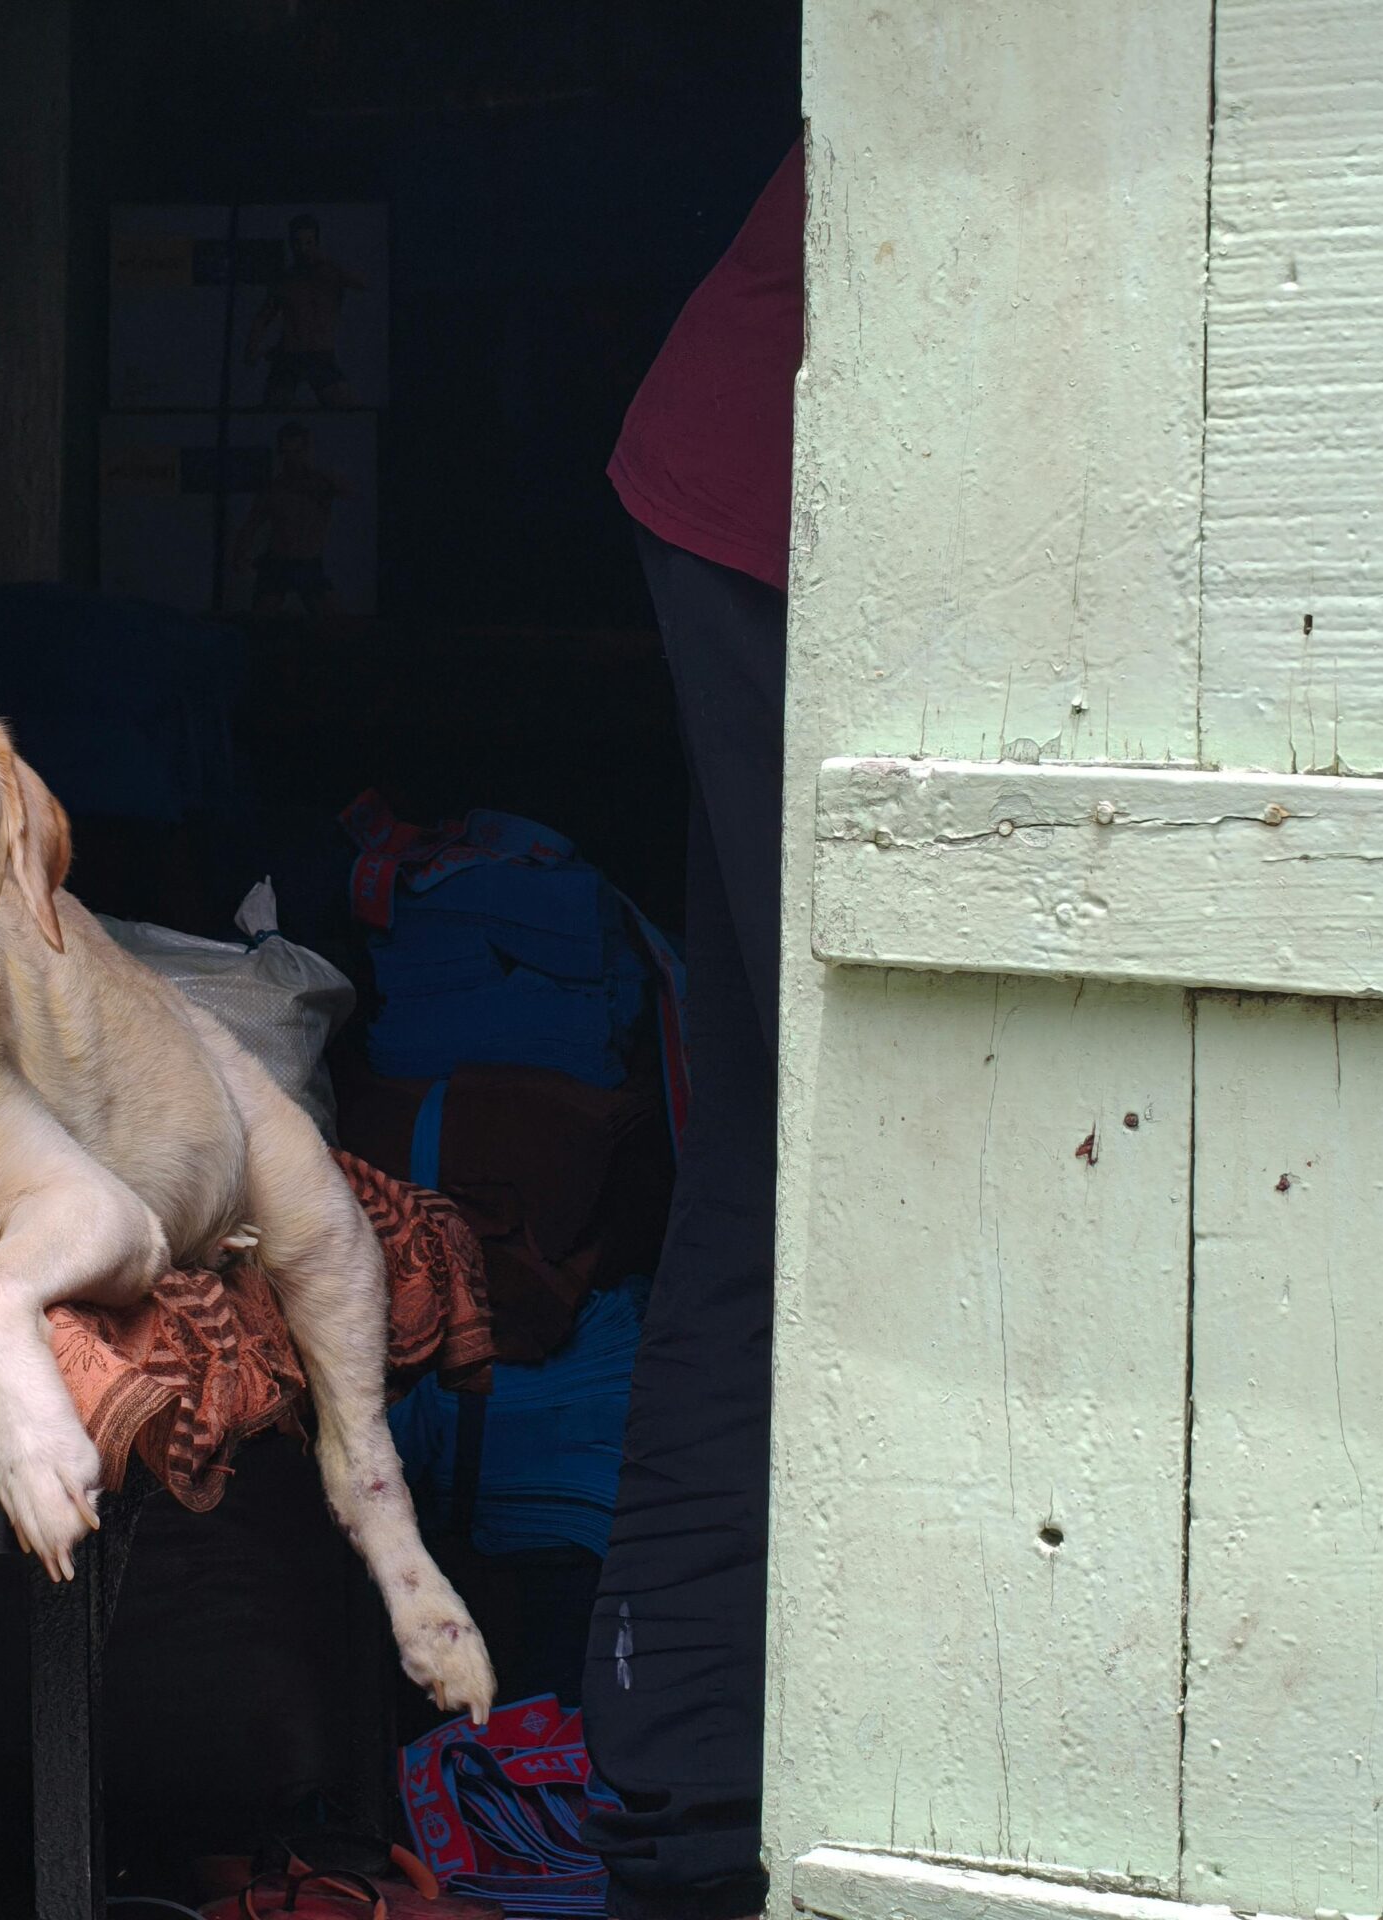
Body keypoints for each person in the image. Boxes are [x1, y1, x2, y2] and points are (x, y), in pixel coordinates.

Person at [580, 134, 804, 1920]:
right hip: (773, 503)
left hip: (759, 496)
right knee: (809, 1159)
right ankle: (681, 1806)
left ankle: (677, 1800)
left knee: (763, 1164)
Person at [227, 421, 352, 614]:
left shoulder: (321, 483)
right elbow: (251, 524)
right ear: (281, 453)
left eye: (298, 451)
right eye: (288, 452)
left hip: (309, 563)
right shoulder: (274, 488)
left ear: (307, 451)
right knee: (262, 619)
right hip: (278, 563)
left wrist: (318, 472)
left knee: (334, 619)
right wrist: (239, 554)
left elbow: (349, 491)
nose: (293, 458)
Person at [246, 212, 366, 408]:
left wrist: (328, 261)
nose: (303, 249)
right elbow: (264, 316)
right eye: (298, 243)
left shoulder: (330, 274)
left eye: (309, 243)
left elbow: (363, 283)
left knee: (347, 408)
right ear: (291, 244)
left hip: (320, 353)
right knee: (272, 408)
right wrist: (252, 347)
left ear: (316, 242)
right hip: (289, 353)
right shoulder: (285, 280)